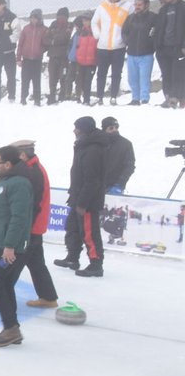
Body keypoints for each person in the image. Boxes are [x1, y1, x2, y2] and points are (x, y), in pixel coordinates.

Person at [0, 140, 58, 312]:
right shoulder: (32, 169)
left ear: (22, 155)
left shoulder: (31, 173)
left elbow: (29, 205)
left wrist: (23, 230)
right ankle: (48, 296)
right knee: (36, 263)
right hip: (34, 226)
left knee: (10, 261)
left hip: (29, 227)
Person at [0, 145, 34, 347]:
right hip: (4, 244)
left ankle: (11, 328)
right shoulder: (7, 181)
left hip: (12, 247)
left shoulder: (19, 184)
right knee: (4, 284)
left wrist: (10, 246)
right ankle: (11, 328)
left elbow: (19, 217)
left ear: (8, 164)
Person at [57, 116, 108, 277]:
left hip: (87, 201)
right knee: (72, 228)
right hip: (77, 197)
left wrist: (83, 203)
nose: (74, 130)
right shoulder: (83, 145)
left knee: (89, 232)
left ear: (84, 129)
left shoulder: (93, 149)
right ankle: (72, 257)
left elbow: (92, 180)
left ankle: (95, 264)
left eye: (77, 127)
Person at [91, 0, 128, 103]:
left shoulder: (128, 6)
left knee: (116, 73)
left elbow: (131, 23)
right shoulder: (102, 6)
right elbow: (94, 22)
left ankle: (113, 97)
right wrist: (98, 35)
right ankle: (100, 97)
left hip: (119, 46)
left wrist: (125, 38)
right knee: (101, 73)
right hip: (103, 46)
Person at [121, 0, 158, 105]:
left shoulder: (153, 17)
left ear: (146, 5)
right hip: (132, 53)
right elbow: (124, 32)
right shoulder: (130, 18)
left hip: (146, 54)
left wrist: (151, 44)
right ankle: (135, 98)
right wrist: (128, 42)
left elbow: (156, 33)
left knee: (144, 78)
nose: (137, 6)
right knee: (132, 79)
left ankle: (144, 98)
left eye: (140, 4)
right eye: (136, 4)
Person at [158, 0, 185, 108]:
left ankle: (176, 97)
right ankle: (168, 97)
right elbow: (159, 29)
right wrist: (157, 46)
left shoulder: (183, 8)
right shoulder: (163, 10)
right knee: (166, 73)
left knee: (178, 74)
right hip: (164, 47)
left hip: (178, 48)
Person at [16, 9, 47, 105]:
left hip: (37, 59)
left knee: (36, 80)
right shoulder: (26, 29)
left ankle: (37, 100)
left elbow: (46, 44)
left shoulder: (44, 29)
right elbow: (20, 44)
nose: (33, 20)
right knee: (25, 80)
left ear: (39, 18)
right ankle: (23, 98)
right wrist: (18, 58)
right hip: (26, 59)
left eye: (35, 18)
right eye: (32, 18)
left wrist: (40, 50)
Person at [101, 116, 135, 194]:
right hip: (95, 186)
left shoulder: (126, 144)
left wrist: (120, 184)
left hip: (114, 186)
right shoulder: (98, 143)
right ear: (104, 129)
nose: (114, 130)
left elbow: (129, 166)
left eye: (116, 127)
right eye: (111, 128)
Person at [45, 9, 73, 103]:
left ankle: (62, 96)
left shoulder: (69, 25)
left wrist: (54, 39)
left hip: (63, 56)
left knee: (63, 76)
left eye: (63, 16)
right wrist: (53, 40)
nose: (60, 18)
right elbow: (45, 38)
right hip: (52, 55)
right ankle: (52, 96)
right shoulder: (53, 24)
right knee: (52, 77)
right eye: (59, 16)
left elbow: (65, 37)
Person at [71, 15, 97, 105]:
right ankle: (80, 98)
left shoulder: (95, 31)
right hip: (81, 61)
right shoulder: (81, 32)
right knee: (80, 80)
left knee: (88, 81)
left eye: (87, 20)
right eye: (83, 21)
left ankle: (87, 99)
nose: (85, 22)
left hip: (91, 62)